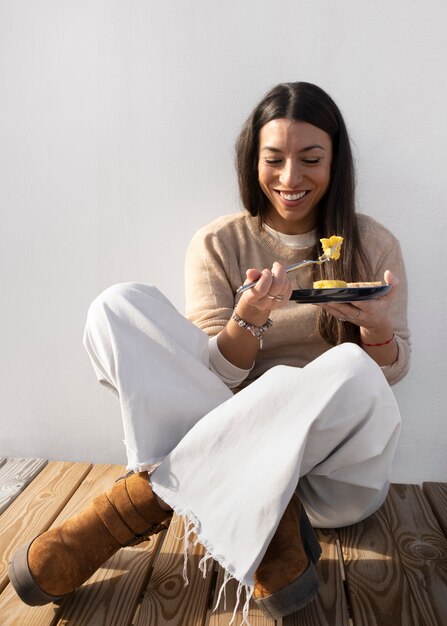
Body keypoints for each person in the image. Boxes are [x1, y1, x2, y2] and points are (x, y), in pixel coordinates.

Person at [8, 82, 410, 624]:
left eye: (311, 159)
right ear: (253, 161)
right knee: (118, 306)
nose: (291, 179)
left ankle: (144, 499)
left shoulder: (371, 243)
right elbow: (209, 377)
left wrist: (378, 332)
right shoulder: (219, 244)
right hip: (227, 456)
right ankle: (265, 506)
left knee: (350, 367)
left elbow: (389, 376)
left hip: (329, 487)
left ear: (336, 163)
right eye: (275, 160)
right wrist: (248, 320)